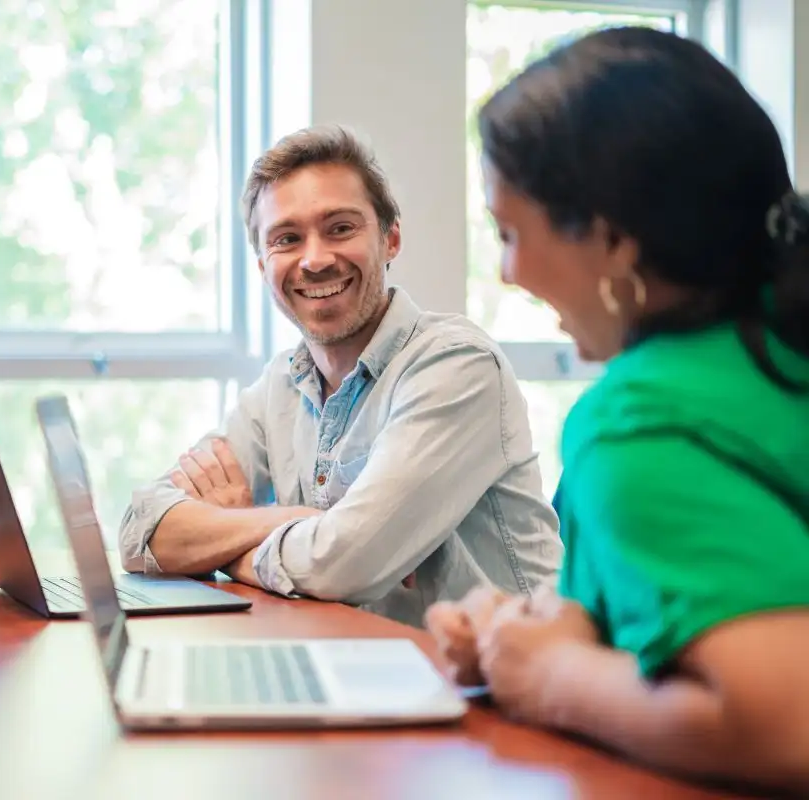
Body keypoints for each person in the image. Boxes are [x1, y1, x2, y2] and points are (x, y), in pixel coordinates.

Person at [425, 27, 809, 795]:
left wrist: (555, 676)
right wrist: (551, 624)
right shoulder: (772, 341)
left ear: (612, 241)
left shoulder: (638, 422)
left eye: (510, 233)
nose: (507, 272)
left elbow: (789, 725)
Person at [117, 125, 563, 627]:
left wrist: (221, 544)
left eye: (340, 228)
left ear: (390, 238)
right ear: (264, 264)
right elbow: (140, 531)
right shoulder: (280, 387)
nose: (314, 259)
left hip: (493, 690)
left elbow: (344, 565)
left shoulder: (456, 366)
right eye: (287, 239)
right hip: (356, 673)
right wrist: (290, 522)